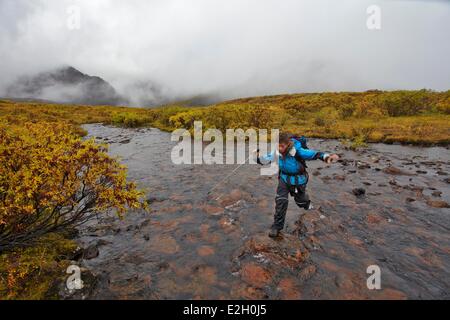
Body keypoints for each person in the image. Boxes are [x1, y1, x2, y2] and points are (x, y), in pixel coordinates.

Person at [257, 133, 340, 238]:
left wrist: (327, 157)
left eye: (282, 146)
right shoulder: (276, 153)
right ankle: (277, 226)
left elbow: (314, 154)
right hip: (284, 179)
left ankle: (307, 204)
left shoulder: (298, 151)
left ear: (287, 144)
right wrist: (256, 157)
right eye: (277, 146)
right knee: (280, 201)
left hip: (298, 181)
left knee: (300, 201)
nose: (279, 148)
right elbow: (265, 159)